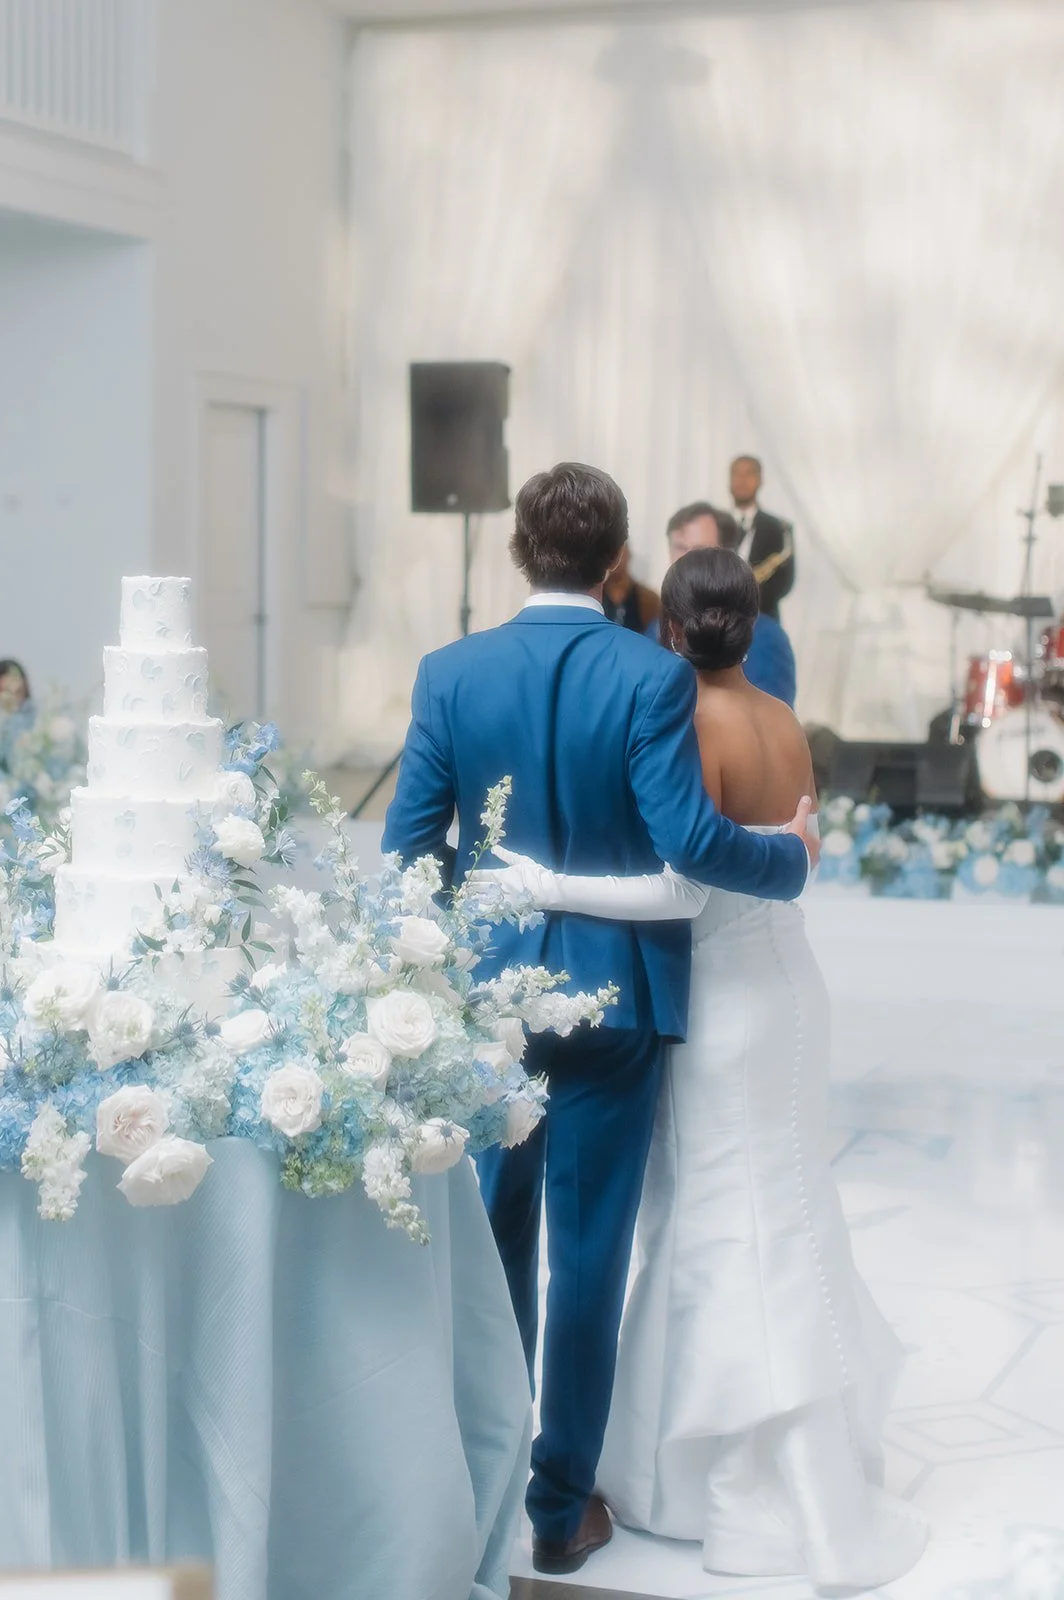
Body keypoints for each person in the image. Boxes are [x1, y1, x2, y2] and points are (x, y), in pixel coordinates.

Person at [382, 463, 816, 1577]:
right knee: (586, 1252)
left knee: (492, 1239)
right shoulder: (650, 676)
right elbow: (693, 846)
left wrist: (464, 933)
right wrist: (791, 854)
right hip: (616, 999)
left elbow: (405, 857)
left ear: (521, 554)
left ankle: (476, 1474)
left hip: (486, 1004)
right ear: (618, 562)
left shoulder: (447, 673)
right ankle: (558, 1504)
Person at [472, 547, 927, 1593]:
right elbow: (790, 855)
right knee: (777, 1200)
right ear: (750, 626)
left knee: (719, 1221)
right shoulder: (780, 720)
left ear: (667, 631)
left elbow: (679, 890)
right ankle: (783, 1452)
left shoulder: (692, 723)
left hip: (720, 1001)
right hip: (789, 993)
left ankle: (717, 1475)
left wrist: (549, 881)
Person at [648, 503, 797, 707]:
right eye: (680, 548)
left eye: (700, 550)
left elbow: (771, 723)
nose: (687, 560)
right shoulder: (654, 630)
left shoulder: (766, 636)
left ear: (728, 554)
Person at [729, 454, 795, 620]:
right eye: (736, 473)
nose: (741, 480)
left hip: (763, 621)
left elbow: (784, 584)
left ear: (760, 480)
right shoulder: (714, 524)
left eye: (749, 474)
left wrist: (745, 598)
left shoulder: (780, 528)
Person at [603, 544, 661, 633]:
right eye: (612, 556)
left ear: (629, 556)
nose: (617, 561)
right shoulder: (594, 595)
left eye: (620, 555)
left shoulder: (649, 598)